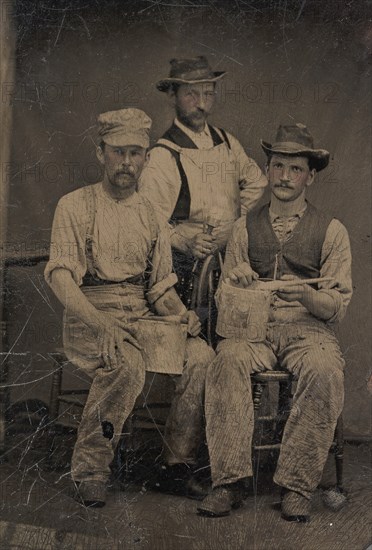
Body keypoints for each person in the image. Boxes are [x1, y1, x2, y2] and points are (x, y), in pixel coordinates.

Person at [44, 108, 215, 507]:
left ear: (146, 158)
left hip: (141, 317)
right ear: (100, 152)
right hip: (89, 315)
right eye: (118, 152)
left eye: (136, 153)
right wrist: (101, 323)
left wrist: (180, 315)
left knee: (201, 356)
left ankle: (175, 465)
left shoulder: (152, 215)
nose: (127, 163)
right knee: (128, 363)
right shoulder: (74, 205)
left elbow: (158, 290)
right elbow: (60, 278)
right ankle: (90, 470)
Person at [197, 123, 352, 521]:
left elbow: (336, 305)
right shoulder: (243, 228)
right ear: (267, 171)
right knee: (226, 360)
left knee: (324, 370)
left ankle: (296, 486)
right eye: (278, 166)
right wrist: (238, 282)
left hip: (308, 330)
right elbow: (224, 299)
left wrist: (306, 295)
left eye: (295, 169)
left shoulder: (333, 231)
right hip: (254, 329)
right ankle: (227, 482)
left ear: (311, 177)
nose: (285, 177)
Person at [138, 56, 268, 305]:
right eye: (191, 95)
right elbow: (148, 220)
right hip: (185, 269)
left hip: (231, 260)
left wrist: (235, 222)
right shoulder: (163, 155)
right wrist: (184, 241)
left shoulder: (226, 142)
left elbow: (256, 182)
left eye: (208, 94)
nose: (201, 105)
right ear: (172, 96)